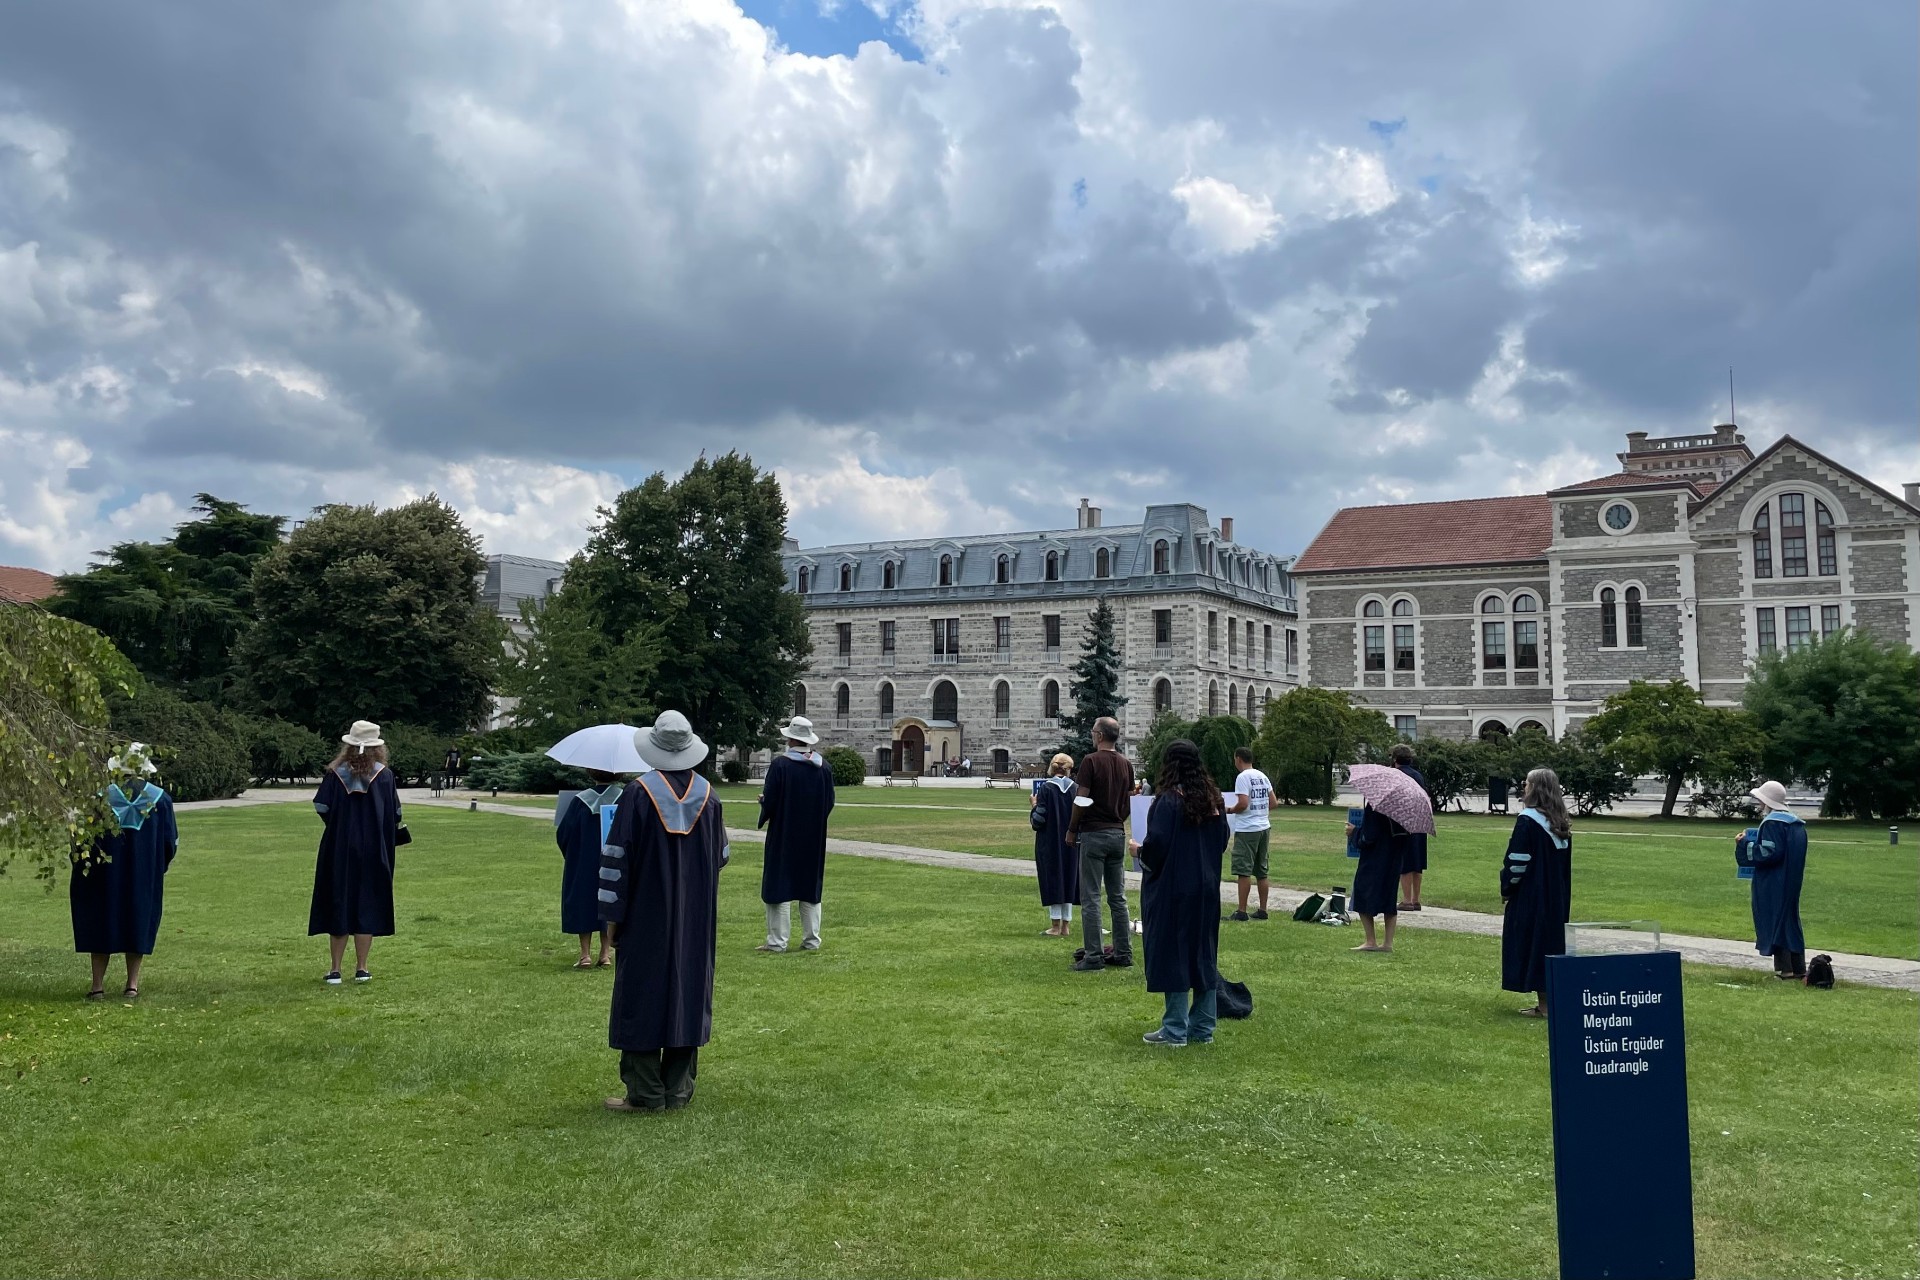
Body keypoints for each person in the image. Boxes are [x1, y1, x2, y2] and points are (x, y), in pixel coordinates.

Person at [599, 711, 729, 1112]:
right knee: (687, 992)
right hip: (695, 918)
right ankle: (677, 1090)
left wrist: (612, 921)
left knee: (642, 993)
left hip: (645, 917)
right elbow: (721, 856)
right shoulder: (710, 797)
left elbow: (615, 863)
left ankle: (645, 1093)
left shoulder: (637, 795)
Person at [1133, 740, 1230, 1046]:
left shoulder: (1168, 801)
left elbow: (1157, 847)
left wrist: (1138, 850)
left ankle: (1175, 1028)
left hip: (1174, 890)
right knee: (1202, 954)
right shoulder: (1213, 800)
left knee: (1173, 953)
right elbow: (1222, 840)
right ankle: (1202, 1027)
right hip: (1206, 889)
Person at [70, 743, 177, 1000]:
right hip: (142, 875)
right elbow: (169, 843)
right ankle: (132, 985)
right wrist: (154, 868)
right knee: (137, 921)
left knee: (101, 921)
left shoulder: (99, 799)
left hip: (103, 877)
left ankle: (97, 986)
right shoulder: (160, 800)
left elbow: (80, 841)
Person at [309, 720, 404, 984]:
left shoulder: (335, 774)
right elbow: (395, 813)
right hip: (373, 850)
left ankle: (335, 970)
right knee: (368, 903)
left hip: (339, 848)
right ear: (377, 748)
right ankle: (362, 968)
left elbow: (322, 807)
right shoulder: (384, 776)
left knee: (340, 901)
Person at [757, 715, 835, 953]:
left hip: (784, 832)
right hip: (812, 836)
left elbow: (771, 798)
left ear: (790, 739)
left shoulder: (781, 765)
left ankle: (777, 942)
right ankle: (811, 940)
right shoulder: (824, 768)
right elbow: (829, 802)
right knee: (810, 885)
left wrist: (765, 803)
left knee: (779, 885)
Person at [1500, 767, 1573, 1017]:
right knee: (1549, 945)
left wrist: (1508, 887)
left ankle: (1544, 1007)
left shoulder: (1528, 820)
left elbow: (1518, 860)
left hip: (1532, 895)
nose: (1524, 787)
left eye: (1527, 784)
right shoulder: (1560, 821)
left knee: (1532, 944)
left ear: (1536, 789)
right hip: (1556, 897)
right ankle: (1549, 1002)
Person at [1069, 716, 1136, 972]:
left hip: (1094, 833)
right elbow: (1130, 799)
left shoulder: (1091, 761)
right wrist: (1119, 819)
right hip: (1117, 833)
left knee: (1091, 896)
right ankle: (1123, 952)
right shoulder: (1125, 763)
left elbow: (1082, 798)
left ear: (1099, 736)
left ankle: (1094, 955)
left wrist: (1072, 828)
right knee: (1117, 897)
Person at [556, 769, 624, 967]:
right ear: (619, 775)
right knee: (608, 900)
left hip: (583, 861)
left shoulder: (579, 801)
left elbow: (564, 833)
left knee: (582, 901)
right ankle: (605, 954)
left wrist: (573, 856)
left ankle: (585, 954)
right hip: (613, 860)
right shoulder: (624, 798)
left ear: (591, 774)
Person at [1744, 779, 1808, 980]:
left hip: (1773, 881)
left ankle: (1785, 969)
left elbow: (1768, 852)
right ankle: (1798, 967)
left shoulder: (1773, 823)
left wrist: (1745, 844)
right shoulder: (1796, 824)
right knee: (1789, 921)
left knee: (1775, 920)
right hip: (1791, 881)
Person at [1345, 797, 1406, 953]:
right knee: (1389, 896)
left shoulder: (1375, 805)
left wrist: (1354, 833)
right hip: (1395, 856)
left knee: (1362, 890)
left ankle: (1370, 940)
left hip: (1375, 857)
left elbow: (1369, 837)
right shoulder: (1402, 805)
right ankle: (1387, 943)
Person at [1030, 753, 1080, 936]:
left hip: (1050, 842)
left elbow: (1038, 821)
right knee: (1069, 878)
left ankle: (1055, 926)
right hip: (1072, 841)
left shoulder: (1046, 789)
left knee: (1053, 878)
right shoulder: (1075, 788)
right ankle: (1066, 926)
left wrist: (1033, 806)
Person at [1223, 746, 1274, 921]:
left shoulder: (1242, 777)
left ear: (1238, 759)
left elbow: (1243, 803)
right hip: (1263, 826)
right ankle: (1262, 909)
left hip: (1247, 829)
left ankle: (1242, 911)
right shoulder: (1262, 776)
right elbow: (1273, 802)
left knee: (1243, 870)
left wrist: (1230, 810)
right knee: (1261, 870)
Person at [1391, 744, 1435, 911]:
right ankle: (1416, 899)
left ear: (1395, 759)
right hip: (1420, 821)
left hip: (1403, 822)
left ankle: (1406, 899)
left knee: (1405, 862)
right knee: (1417, 861)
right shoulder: (1418, 776)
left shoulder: (1396, 775)